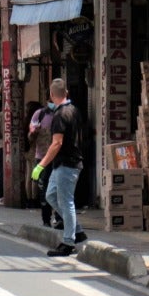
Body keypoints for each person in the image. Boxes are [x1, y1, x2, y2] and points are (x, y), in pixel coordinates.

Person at [32, 79, 86, 256]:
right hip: (63, 163)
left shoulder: (60, 115)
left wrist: (41, 165)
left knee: (66, 202)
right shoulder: (74, 110)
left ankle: (68, 242)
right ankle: (76, 230)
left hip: (67, 164)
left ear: (51, 95)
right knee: (50, 195)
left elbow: (57, 143)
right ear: (66, 92)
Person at [28, 100, 56, 226]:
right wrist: (34, 132)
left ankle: (59, 218)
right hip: (42, 158)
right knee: (44, 188)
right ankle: (46, 219)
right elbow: (30, 136)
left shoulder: (63, 114)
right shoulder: (39, 115)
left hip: (60, 158)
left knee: (58, 189)